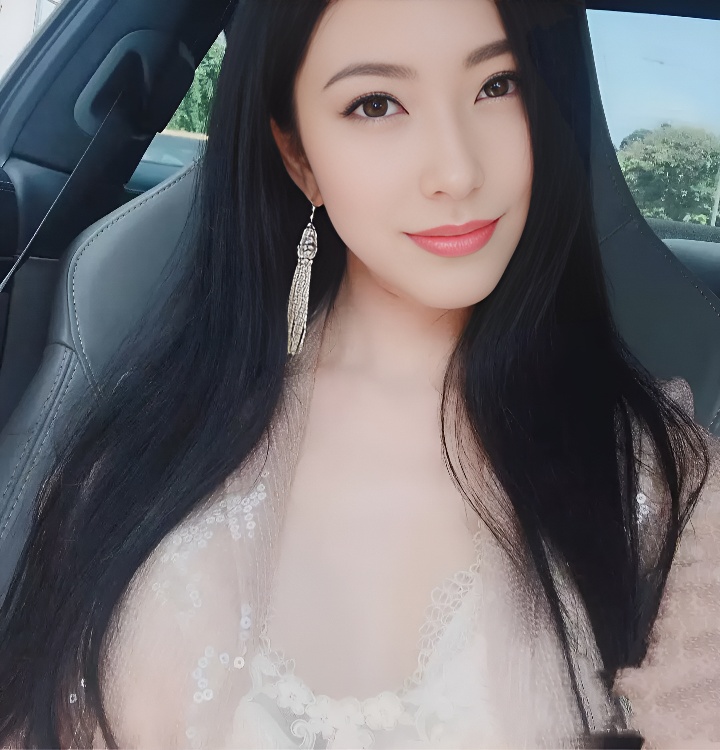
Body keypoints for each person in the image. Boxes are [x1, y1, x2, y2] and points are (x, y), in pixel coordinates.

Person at [0, 0, 718, 747]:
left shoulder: (664, 480)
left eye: (497, 84)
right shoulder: (140, 452)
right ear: (298, 156)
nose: (457, 171)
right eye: (376, 104)